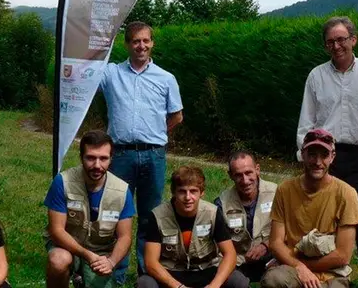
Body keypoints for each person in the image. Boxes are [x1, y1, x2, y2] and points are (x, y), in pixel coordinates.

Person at [295, 16, 358, 287]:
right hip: (326, 158)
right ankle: (326, 281)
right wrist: (305, 158)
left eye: (342, 39)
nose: (336, 46)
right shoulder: (316, 76)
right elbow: (307, 122)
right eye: (330, 41)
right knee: (322, 227)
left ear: (354, 40)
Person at [99, 21, 184, 282]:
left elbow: (177, 116)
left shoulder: (166, 78)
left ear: (152, 43)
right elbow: (89, 66)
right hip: (121, 154)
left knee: (150, 216)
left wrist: (154, 134)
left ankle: (146, 273)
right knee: (117, 213)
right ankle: (117, 272)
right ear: (127, 44)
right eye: (135, 41)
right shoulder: (111, 74)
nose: (141, 46)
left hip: (153, 155)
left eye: (146, 40)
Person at [261, 129, 358, 288]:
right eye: (312, 154)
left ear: (332, 157)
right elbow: (275, 242)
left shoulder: (347, 193)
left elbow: (343, 255)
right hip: (293, 268)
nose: (317, 161)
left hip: (332, 272)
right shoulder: (284, 190)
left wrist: (305, 267)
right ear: (302, 155)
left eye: (324, 155)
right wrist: (298, 267)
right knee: (273, 280)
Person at [43, 130, 135, 288]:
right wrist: (87, 255)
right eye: (91, 158)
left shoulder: (122, 191)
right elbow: (56, 230)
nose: (97, 165)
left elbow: (125, 237)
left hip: (102, 253)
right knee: (58, 260)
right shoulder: (62, 182)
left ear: (111, 159)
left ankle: (84, 278)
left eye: (103, 158)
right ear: (81, 158)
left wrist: (111, 262)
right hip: (67, 246)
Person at [138, 166, 249, 288]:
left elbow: (230, 254)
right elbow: (151, 262)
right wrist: (178, 287)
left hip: (206, 269)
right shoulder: (157, 215)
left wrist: (214, 285)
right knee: (145, 283)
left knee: (238, 281)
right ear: (174, 192)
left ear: (202, 192)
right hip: (172, 272)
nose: (188, 197)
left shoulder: (212, 212)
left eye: (193, 191)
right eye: (182, 191)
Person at [213, 151, 277, 282]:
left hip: (272, 257)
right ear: (230, 175)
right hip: (238, 262)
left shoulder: (278, 193)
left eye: (248, 173)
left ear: (257, 170)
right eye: (238, 175)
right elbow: (217, 246)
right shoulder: (221, 204)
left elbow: (291, 231)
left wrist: (266, 245)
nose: (245, 180)